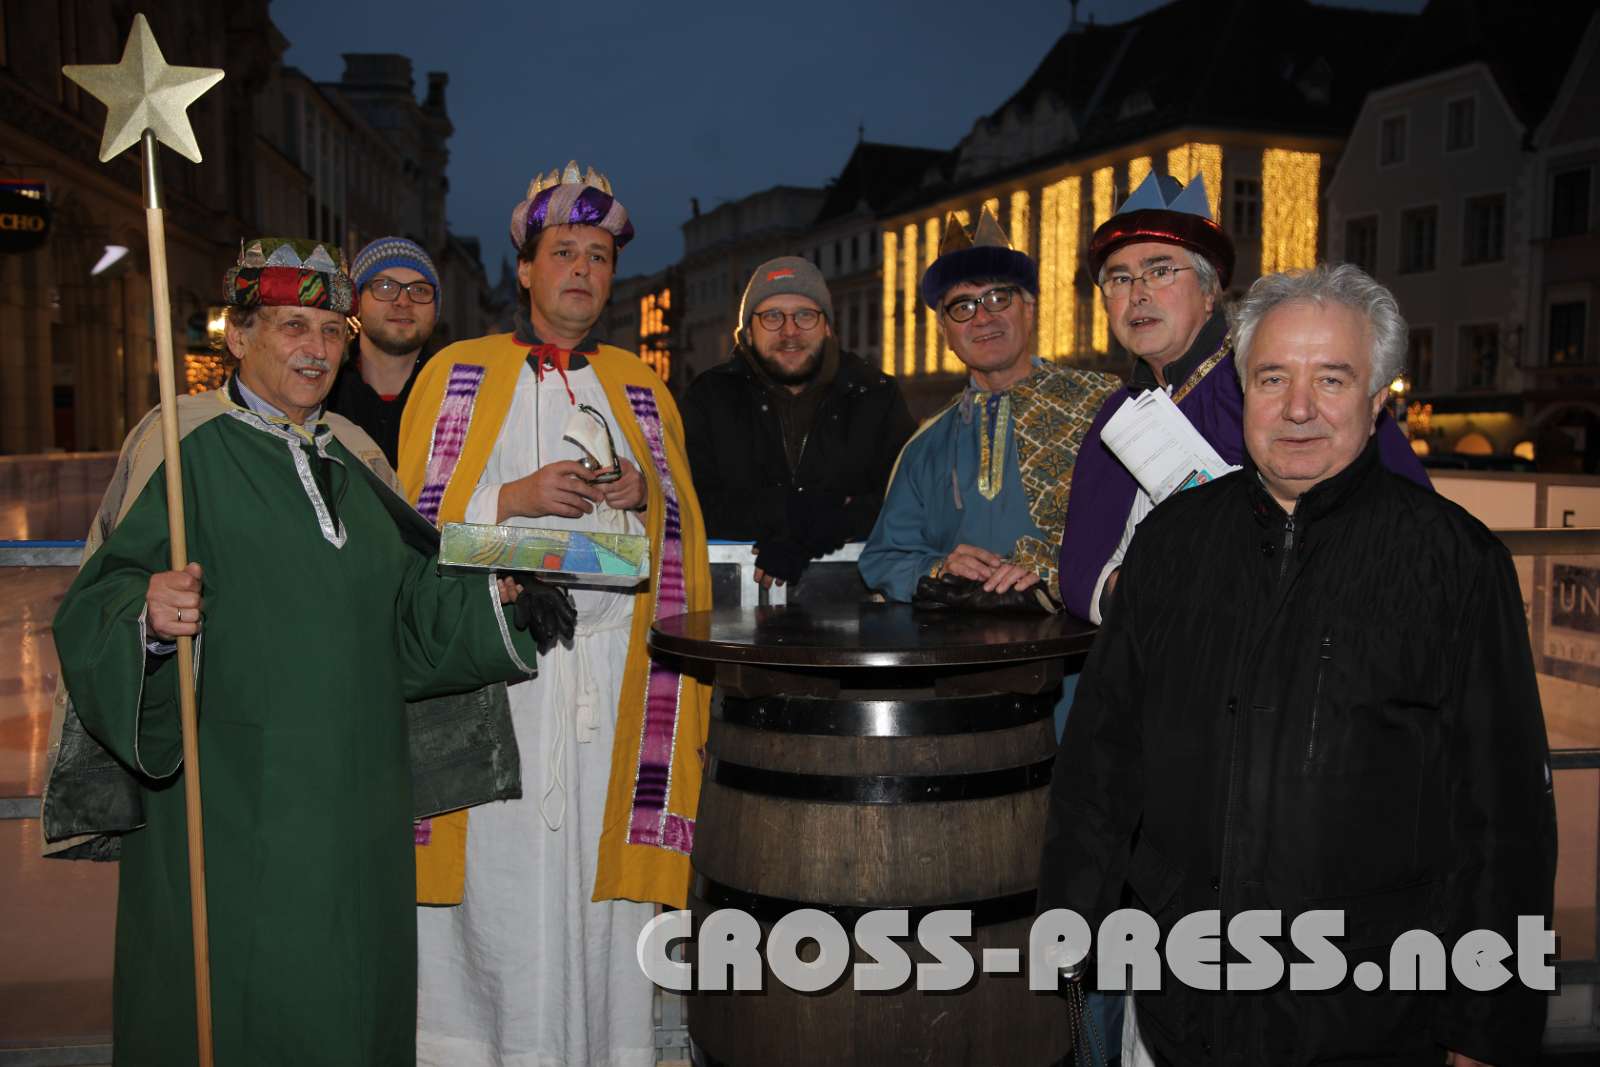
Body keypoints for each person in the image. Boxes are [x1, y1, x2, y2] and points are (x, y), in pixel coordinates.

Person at [45, 237, 567, 1067]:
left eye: (332, 331)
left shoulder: (355, 454)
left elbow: (408, 614)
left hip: (360, 798)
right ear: (239, 334)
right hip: (230, 798)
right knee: (241, 999)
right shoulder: (181, 445)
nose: (317, 348)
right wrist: (146, 615)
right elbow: (95, 604)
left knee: (353, 996)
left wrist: (493, 596)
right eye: (293, 326)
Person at [1038, 264, 1556, 1066]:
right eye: (1274, 377)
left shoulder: (1453, 562)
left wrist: (1486, 1028)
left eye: (1332, 378)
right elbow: (1101, 763)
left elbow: (1503, 815)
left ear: (1378, 400)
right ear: (1244, 388)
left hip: (1371, 1012)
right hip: (1180, 1008)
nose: (1300, 407)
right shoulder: (1171, 544)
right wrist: (1070, 942)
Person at [398, 161, 711, 1067]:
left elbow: (679, 541)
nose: (582, 269)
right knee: (496, 890)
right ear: (527, 269)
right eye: (564, 252)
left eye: (599, 256)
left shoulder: (643, 386)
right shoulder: (457, 373)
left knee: (599, 895)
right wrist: (517, 495)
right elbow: (415, 529)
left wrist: (642, 492)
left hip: (607, 689)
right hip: (498, 678)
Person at [1057, 173, 1429, 624]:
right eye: (1120, 279)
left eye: (1160, 271)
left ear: (1209, 290)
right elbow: (1083, 573)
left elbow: (1406, 527)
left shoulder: (1271, 383)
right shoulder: (1114, 415)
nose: (1138, 294)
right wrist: (1145, 597)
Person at [860, 208, 1117, 613]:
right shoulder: (926, 443)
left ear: (1029, 310)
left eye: (998, 298)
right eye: (962, 306)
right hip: (957, 646)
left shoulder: (1103, 406)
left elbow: (1148, 529)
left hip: (1081, 643)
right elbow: (883, 558)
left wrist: (1053, 572)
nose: (982, 317)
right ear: (945, 332)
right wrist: (937, 567)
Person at [682, 255, 915, 590]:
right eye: (772, 316)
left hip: (853, 603)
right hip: (731, 601)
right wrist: (788, 514)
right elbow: (689, 501)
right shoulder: (709, 397)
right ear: (748, 331)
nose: (789, 331)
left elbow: (906, 499)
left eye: (805, 315)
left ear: (827, 326)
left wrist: (823, 526)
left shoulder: (875, 394)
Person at [327, 235, 441, 465]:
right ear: (357, 303)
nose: (403, 301)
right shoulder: (322, 393)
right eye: (385, 286)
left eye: (419, 290)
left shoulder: (457, 396)